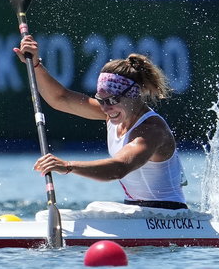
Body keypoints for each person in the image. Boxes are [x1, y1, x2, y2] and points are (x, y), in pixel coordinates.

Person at [13, 35, 187, 209]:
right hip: (137, 211)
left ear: (135, 95)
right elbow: (61, 98)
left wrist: (67, 166)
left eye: (112, 101)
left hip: (169, 215)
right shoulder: (114, 113)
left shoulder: (152, 131)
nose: (105, 108)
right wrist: (36, 64)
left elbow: (119, 168)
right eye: (101, 100)